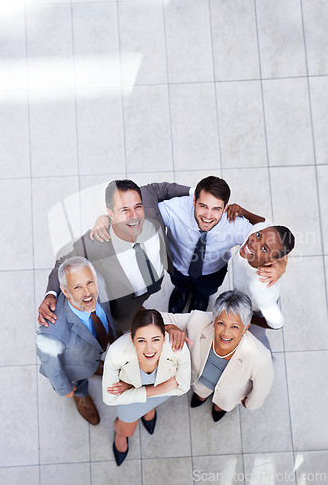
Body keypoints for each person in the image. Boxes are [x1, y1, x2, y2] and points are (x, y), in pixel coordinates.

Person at [38, 179, 190, 332]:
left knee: (152, 290)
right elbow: (64, 262)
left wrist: (196, 193)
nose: (134, 216)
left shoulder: (149, 204)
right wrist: (50, 295)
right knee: (121, 325)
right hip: (126, 301)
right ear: (110, 213)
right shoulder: (95, 242)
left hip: (154, 281)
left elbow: (160, 188)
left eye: (138, 207)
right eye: (124, 210)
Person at [159, 176, 286, 313]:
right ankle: (181, 293)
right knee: (179, 282)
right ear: (194, 200)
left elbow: (275, 235)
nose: (208, 216)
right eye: (203, 206)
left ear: (225, 207)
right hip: (178, 264)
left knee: (206, 290)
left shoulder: (235, 224)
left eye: (216, 209)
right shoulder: (175, 209)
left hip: (212, 272)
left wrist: (282, 265)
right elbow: (145, 214)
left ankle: (200, 298)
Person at [162, 290, 274, 422]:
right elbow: (155, 317)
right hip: (200, 380)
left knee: (223, 403)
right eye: (221, 323)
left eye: (234, 327)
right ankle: (201, 396)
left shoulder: (260, 357)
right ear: (213, 319)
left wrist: (250, 404)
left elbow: (262, 388)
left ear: (245, 328)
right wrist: (170, 327)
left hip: (229, 395)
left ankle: (219, 407)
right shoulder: (198, 320)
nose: (226, 333)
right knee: (200, 391)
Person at [102, 309, 191, 466]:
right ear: (132, 339)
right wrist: (156, 390)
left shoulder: (177, 348)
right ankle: (121, 436)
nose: (149, 349)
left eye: (156, 340)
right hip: (145, 396)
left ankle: (149, 411)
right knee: (126, 428)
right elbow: (109, 399)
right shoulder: (117, 352)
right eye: (141, 341)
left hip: (149, 394)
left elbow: (183, 388)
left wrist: (135, 389)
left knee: (150, 406)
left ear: (164, 337)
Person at [36, 257, 116, 425]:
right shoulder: (50, 334)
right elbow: (52, 367)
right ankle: (81, 395)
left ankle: (94, 365)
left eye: (89, 283)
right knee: (77, 382)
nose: (87, 293)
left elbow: (64, 256)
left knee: (92, 354)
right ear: (65, 291)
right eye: (77, 287)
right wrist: (65, 389)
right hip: (74, 368)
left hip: (88, 350)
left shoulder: (99, 282)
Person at [231, 222, 295, 349]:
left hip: (255, 310)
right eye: (259, 235)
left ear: (272, 260)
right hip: (242, 294)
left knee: (257, 340)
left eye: (264, 249)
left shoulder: (260, 288)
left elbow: (276, 324)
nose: (253, 243)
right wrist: (243, 212)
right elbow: (263, 222)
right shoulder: (260, 232)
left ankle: (268, 357)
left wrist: (248, 320)